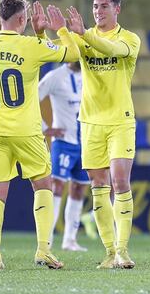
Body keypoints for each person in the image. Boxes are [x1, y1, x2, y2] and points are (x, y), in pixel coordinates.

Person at [0, 0, 80, 270]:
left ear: (1, 16)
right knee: (43, 186)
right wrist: (59, 30)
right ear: (23, 20)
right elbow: (72, 53)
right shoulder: (31, 46)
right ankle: (44, 250)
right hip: (26, 131)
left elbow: (24, 54)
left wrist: (37, 34)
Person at [66, 0, 141, 269]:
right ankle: (110, 252)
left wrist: (83, 34)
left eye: (105, 6)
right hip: (90, 122)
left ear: (117, 9)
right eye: (96, 6)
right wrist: (56, 32)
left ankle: (123, 249)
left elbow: (111, 50)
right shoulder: (83, 38)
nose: (99, 11)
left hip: (120, 121)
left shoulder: (129, 39)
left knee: (120, 181)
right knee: (98, 185)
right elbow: (63, 54)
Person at [39, 61, 96, 251]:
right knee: (56, 186)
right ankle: (46, 240)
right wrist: (45, 128)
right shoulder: (55, 77)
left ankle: (69, 240)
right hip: (64, 143)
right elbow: (31, 100)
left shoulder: (91, 74)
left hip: (86, 143)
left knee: (79, 188)